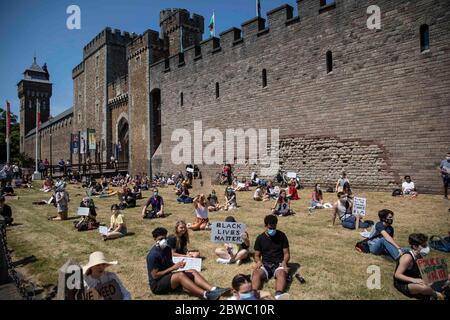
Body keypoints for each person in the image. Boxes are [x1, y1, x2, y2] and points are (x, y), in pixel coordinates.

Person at [146, 227, 230, 299]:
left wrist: (179, 265)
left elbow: (169, 264)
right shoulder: (153, 255)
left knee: (192, 271)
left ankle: (213, 289)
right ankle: (206, 295)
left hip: (168, 277)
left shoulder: (167, 249)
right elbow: (155, 275)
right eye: (160, 239)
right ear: (154, 239)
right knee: (180, 275)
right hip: (157, 285)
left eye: (164, 238)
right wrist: (173, 268)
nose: (163, 241)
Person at [394, 233, 447, 300]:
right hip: (403, 284)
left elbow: (422, 271)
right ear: (415, 246)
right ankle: (436, 294)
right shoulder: (407, 258)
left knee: (445, 276)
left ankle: (433, 291)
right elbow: (397, 275)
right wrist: (414, 280)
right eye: (423, 245)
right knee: (424, 288)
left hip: (416, 279)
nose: (426, 247)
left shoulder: (419, 256)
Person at [252, 215, 290, 300]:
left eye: (274, 227)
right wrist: (258, 261)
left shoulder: (282, 236)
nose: (272, 230)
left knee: (281, 273)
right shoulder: (260, 238)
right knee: (256, 273)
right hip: (265, 263)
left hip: (279, 263)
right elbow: (256, 255)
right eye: (270, 228)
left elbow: (287, 253)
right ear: (265, 226)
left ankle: (278, 295)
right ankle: (253, 295)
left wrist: (284, 262)